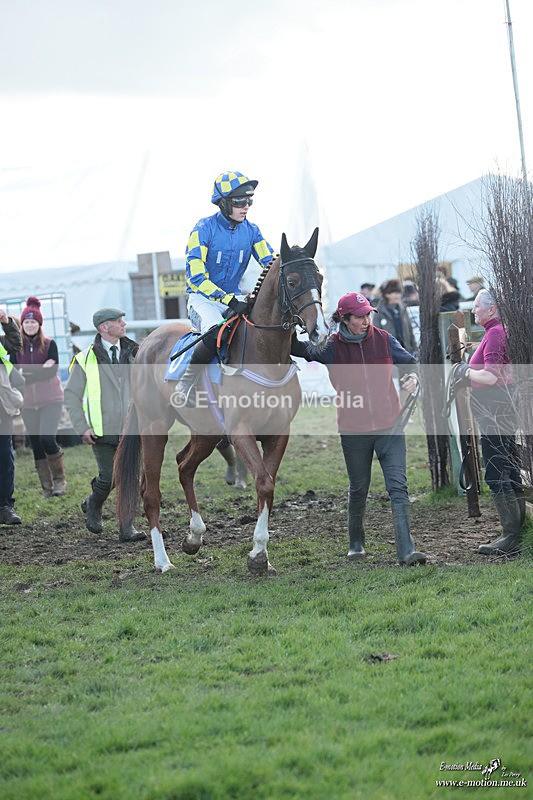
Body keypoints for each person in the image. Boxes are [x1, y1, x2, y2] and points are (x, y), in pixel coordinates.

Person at [292, 291, 427, 566]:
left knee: (398, 488)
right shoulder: (331, 347)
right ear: (344, 319)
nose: (366, 321)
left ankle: (406, 551)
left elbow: (410, 362)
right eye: (360, 317)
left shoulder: (384, 339)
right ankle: (356, 543)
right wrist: (291, 322)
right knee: (359, 488)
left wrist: (413, 377)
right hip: (354, 430)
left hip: (390, 426)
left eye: (368, 315)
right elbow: (299, 348)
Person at [173, 171, 275, 406]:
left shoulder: (252, 230)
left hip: (235, 297)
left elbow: (270, 263)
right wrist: (227, 299)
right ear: (223, 203)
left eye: (249, 201)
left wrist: (290, 263)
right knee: (214, 332)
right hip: (203, 299)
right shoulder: (202, 229)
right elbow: (196, 278)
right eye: (239, 202)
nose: (245, 207)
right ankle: (186, 383)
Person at [64, 308, 145, 542]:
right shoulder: (84, 359)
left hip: (132, 429)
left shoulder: (136, 354)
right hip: (101, 432)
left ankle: (127, 528)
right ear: (104, 327)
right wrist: (82, 427)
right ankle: (93, 502)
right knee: (109, 478)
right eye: (118, 321)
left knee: (130, 477)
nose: (124, 324)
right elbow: (71, 396)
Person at [454, 289, 525, 556]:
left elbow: (490, 376)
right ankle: (516, 531)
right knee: (508, 466)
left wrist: (465, 370)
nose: (473, 310)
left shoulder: (495, 333)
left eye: (476, 306)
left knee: (496, 471)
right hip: (501, 405)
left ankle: (510, 537)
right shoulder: (496, 331)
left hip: (494, 406)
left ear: (491, 310)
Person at [9, 296, 67, 497]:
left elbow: (51, 372)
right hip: (27, 403)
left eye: (33, 322)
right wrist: (38, 370)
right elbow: (14, 374)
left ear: (39, 324)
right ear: (22, 325)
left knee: (47, 438)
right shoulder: (16, 349)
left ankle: (59, 481)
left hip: (51, 399)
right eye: (26, 322)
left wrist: (26, 372)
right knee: (35, 442)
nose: (30, 325)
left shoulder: (50, 345)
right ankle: (47, 487)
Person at [0, 310, 25, 524]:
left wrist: (6, 322)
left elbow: (15, 344)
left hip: (2, 408)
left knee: (5, 458)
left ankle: (5, 506)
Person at [374, 279, 418, 356]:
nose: (398, 295)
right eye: (394, 293)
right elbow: (376, 336)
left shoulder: (403, 309)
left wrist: (415, 349)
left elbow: (410, 331)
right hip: (389, 354)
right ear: (386, 294)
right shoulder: (379, 312)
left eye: (399, 292)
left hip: (406, 352)